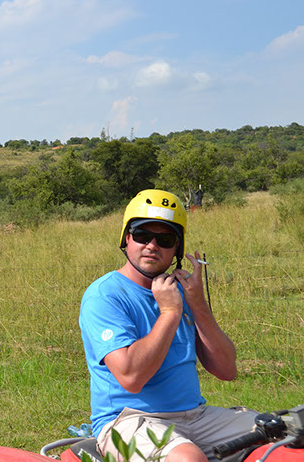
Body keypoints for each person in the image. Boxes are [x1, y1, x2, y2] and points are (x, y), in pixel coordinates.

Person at [79, 189, 256, 462]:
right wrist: (170, 312)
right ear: (127, 239)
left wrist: (198, 304)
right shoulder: (105, 296)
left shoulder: (181, 292)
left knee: (285, 434)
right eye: (142, 235)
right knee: (188, 459)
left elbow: (226, 370)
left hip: (195, 416)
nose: (152, 246)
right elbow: (131, 377)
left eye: (165, 240)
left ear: (177, 249)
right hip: (127, 420)